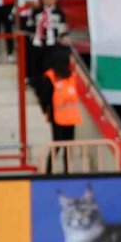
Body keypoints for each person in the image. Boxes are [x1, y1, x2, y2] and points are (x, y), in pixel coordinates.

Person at [37, 44, 81, 173]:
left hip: (71, 118)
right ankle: (49, 171)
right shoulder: (50, 77)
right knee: (57, 145)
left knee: (69, 146)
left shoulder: (72, 75)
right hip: (57, 117)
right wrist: (46, 110)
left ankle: (68, 171)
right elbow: (45, 97)